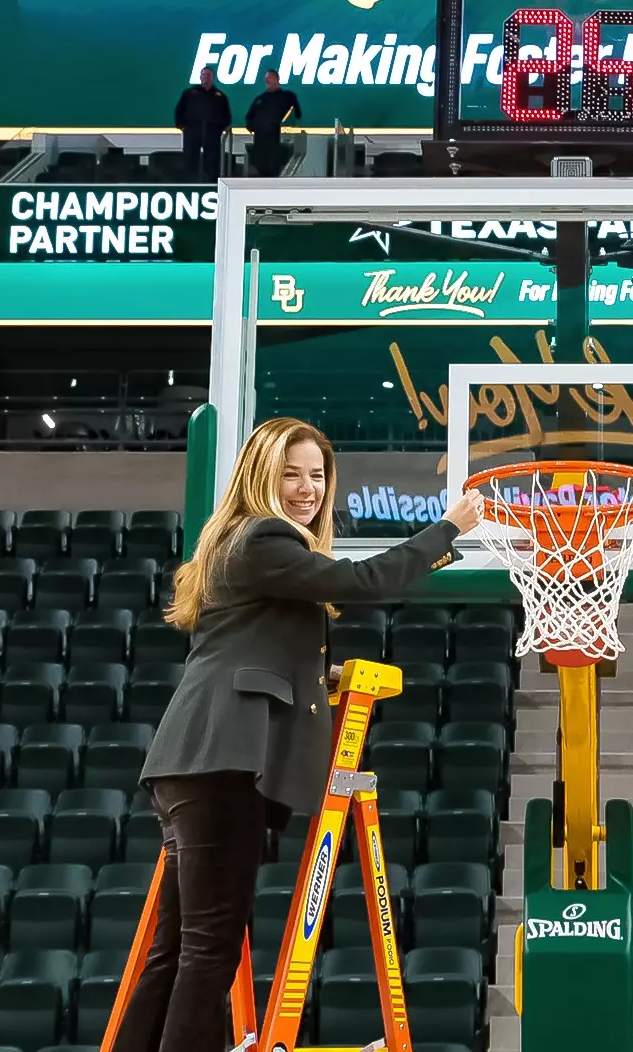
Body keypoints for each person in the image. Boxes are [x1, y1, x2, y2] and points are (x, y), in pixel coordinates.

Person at [113, 417, 483, 1052]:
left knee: (178, 948)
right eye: (291, 474)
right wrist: (447, 530)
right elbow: (363, 584)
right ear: (261, 477)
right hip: (224, 758)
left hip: (193, 758)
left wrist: (320, 672)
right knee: (209, 949)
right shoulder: (263, 537)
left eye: (317, 475)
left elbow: (251, 644)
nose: (307, 488)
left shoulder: (238, 544)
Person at [174, 66, 231, 182]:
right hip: (192, 132)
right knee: (190, 160)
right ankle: (190, 186)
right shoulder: (189, 93)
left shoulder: (220, 96)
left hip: (212, 134)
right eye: (203, 75)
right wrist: (183, 127)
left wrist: (219, 129)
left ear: (213, 77)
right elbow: (179, 111)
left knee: (212, 162)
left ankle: (211, 186)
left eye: (208, 75)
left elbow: (227, 116)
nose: (205, 77)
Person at [244, 69, 303, 177]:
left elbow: (297, 114)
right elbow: (249, 118)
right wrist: (256, 127)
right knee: (261, 169)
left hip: (277, 142)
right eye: (266, 79)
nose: (267, 81)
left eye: (270, 78)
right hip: (260, 142)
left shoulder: (287, 96)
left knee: (274, 170)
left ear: (277, 79)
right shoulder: (260, 99)